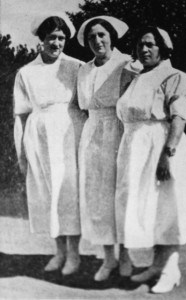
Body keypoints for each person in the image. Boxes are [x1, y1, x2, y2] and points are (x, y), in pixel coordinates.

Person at [115, 26, 186, 293]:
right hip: (135, 149)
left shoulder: (176, 76)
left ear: (163, 48)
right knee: (148, 208)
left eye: (150, 45)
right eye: (140, 45)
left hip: (162, 146)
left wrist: (167, 155)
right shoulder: (135, 77)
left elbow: (179, 117)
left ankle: (171, 269)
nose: (144, 50)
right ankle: (157, 265)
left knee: (167, 207)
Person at [13, 12, 87, 275]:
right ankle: (59, 252)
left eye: (61, 38)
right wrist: (21, 153)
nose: (57, 43)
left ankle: (74, 255)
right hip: (39, 138)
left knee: (69, 192)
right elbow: (20, 116)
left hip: (70, 135)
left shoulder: (77, 67)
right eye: (52, 38)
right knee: (47, 193)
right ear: (41, 40)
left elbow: (89, 105)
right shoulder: (26, 73)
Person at [77, 16, 140, 281]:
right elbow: (83, 105)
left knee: (121, 192)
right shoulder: (84, 69)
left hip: (118, 129)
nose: (97, 41)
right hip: (92, 132)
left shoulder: (126, 63)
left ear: (112, 36)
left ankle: (125, 254)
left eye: (102, 35)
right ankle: (109, 257)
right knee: (97, 195)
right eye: (92, 37)